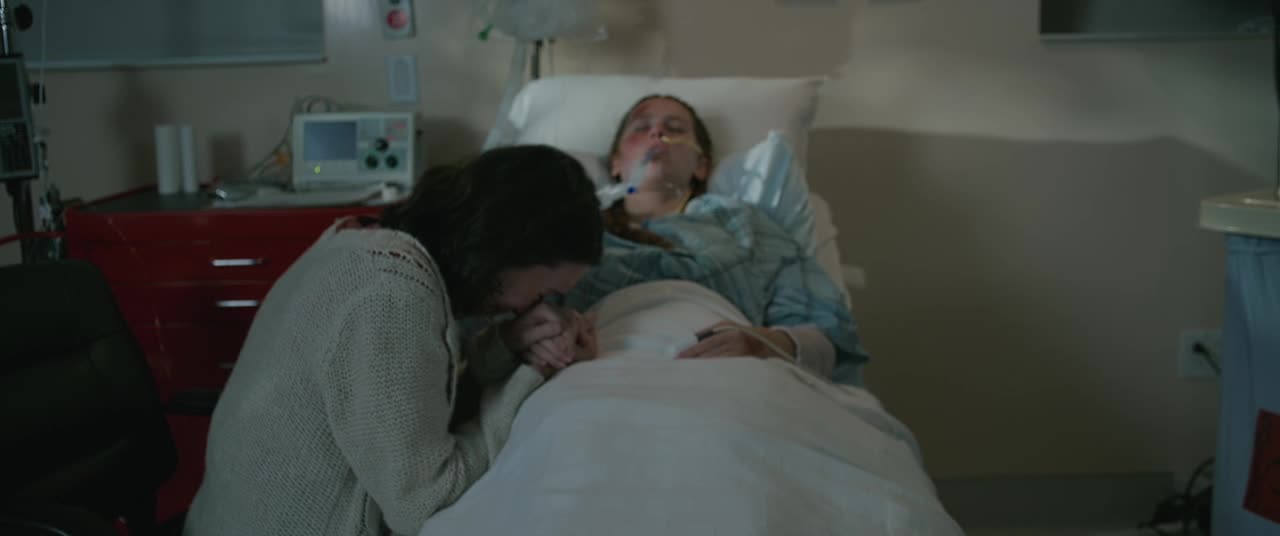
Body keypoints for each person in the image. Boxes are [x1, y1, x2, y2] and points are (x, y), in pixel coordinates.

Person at [185, 145, 603, 536]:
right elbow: (424, 500)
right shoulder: (391, 295)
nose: (534, 306)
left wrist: (506, 344)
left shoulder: (363, 241)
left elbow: (412, 409)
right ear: (506, 255)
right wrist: (532, 374)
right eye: (544, 292)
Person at [567, 95, 868, 384]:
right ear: (616, 164)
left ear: (701, 165)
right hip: (594, 369)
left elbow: (829, 339)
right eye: (641, 128)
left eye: (675, 129)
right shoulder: (575, 227)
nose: (657, 132)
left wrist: (762, 343)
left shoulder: (741, 222)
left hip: (729, 373)